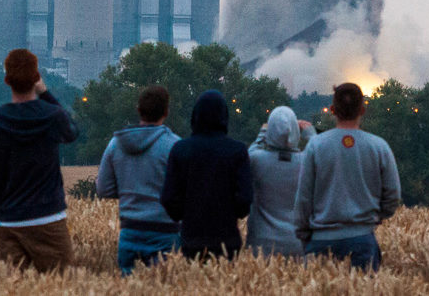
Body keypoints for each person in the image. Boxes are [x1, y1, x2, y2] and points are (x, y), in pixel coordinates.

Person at [0, 49, 79, 273]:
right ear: (36, 78)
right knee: (62, 286)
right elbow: (72, 131)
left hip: (11, 220)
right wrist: (45, 93)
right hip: (49, 217)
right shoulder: (52, 116)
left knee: (13, 287)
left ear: (6, 81)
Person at [294, 82, 400, 271]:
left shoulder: (316, 146)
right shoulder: (378, 146)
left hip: (320, 241)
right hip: (362, 240)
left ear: (333, 109)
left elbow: (303, 197)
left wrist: (304, 234)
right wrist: (377, 216)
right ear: (362, 110)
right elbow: (393, 194)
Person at [97, 85, 181, 273]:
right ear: (166, 111)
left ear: (138, 110)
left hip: (130, 231)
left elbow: (103, 189)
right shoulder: (175, 145)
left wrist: (129, 192)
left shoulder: (116, 144)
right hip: (165, 232)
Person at [160, 90, 252, 260]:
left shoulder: (180, 149)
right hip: (227, 240)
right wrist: (231, 213)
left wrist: (185, 214)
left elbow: (169, 198)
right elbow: (245, 198)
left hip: (191, 239)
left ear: (195, 115)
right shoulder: (237, 150)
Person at [248, 105, 315, 258]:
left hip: (261, 244)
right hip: (298, 244)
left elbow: (251, 151)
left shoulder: (257, 159)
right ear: (295, 133)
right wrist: (311, 134)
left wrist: (264, 131)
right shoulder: (306, 161)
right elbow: (319, 153)